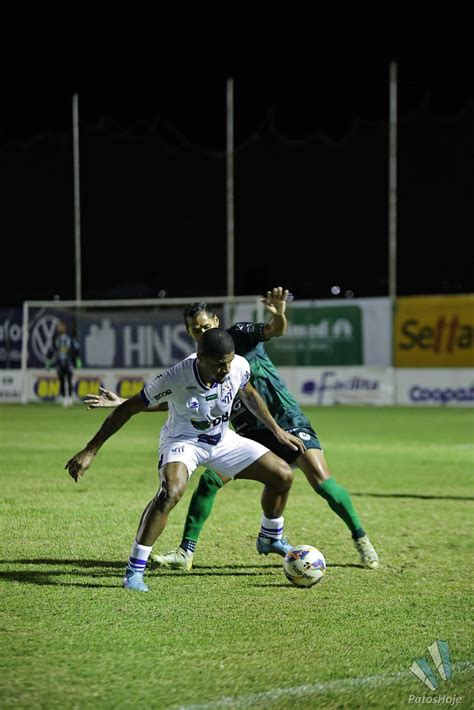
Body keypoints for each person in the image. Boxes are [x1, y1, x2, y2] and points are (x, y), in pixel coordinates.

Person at [86, 287, 380, 570]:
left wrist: (279, 313)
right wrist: (126, 402)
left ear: (216, 321)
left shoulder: (238, 335)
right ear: (190, 334)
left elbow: (274, 330)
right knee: (210, 481)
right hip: (245, 430)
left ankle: (360, 538)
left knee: (321, 481)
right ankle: (185, 553)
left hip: (282, 418)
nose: (201, 333)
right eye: (195, 331)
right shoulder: (199, 362)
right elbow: (182, 403)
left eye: (205, 326)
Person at [65, 327, 305, 592]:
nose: (226, 370)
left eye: (229, 362)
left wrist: (277, 431)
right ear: (201, 357)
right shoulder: (176, 376)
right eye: (219, 365)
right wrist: (91, 449)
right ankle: (134, 571)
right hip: (183, 441)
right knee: (170, 492)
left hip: (223, 440)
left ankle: (270, 537)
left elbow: (247, 392)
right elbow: (130, 407)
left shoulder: (237, 366)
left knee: (282, 475)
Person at [46, 321, 81, 407]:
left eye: (62, 326)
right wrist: (49, 360)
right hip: (59, 363)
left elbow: (75, 348)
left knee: (69, 380)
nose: (60, 328)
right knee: (61, 380)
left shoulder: (69, 337)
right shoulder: (56, 338)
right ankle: (63, 397)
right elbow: (52, 349)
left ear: (64, 328)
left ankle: (69, 398)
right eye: (59, 327)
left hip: (68, 362)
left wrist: (78, 359)